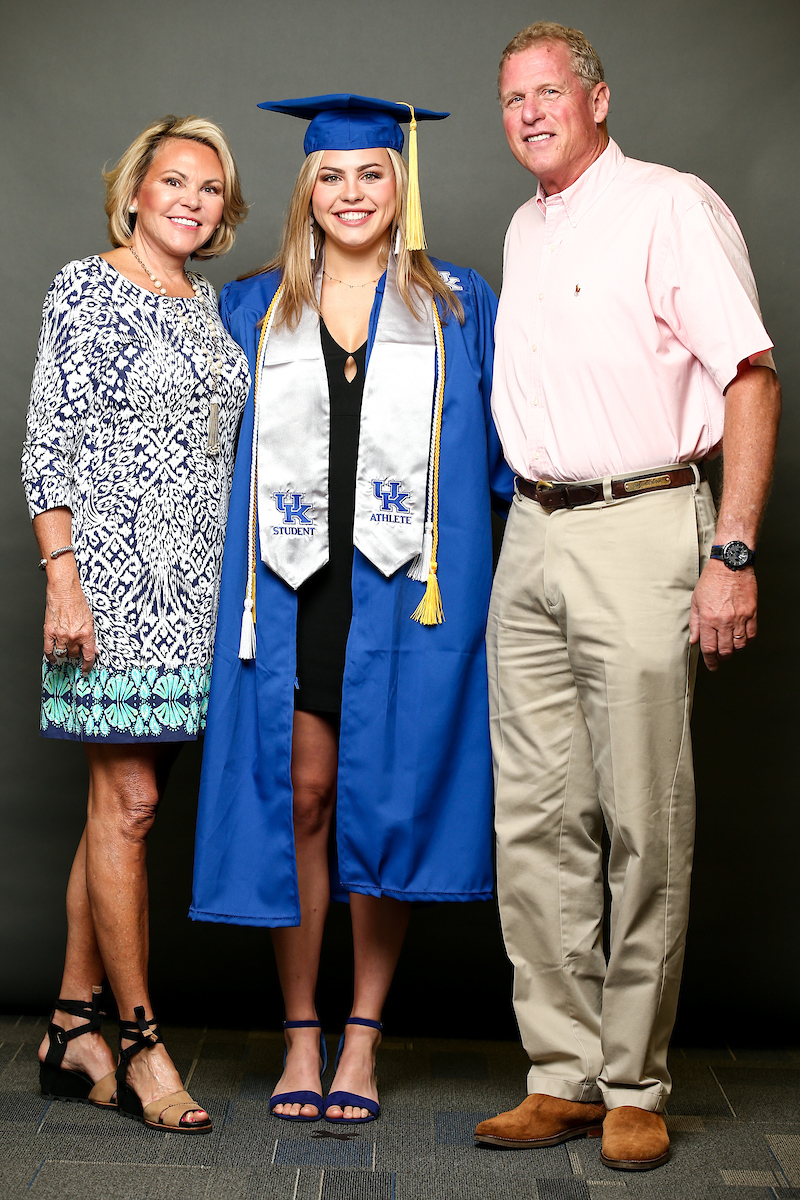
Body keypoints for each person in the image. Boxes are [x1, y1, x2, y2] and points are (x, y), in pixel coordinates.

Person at [474, 23, 781, 1171]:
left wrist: (730, 550)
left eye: (548, 92)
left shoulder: (669, 204)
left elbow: (750, 377)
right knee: (536, 821)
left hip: (646, 520)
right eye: (511, 99)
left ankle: (632, 1082)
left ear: (597, 99)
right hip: (533, 535)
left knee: (640, 820)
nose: (528, 113)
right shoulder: (522, 224)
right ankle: (557, 1073)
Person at [190, 93, 513, 1124]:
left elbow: (507, 458)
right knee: (307, 795)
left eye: (370, 173)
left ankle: (362, 1037)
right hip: (288, 594)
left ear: (398, 183)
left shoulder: (459, 304)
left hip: (404, 595)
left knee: (380, 798)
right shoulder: (250, 306)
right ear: (306, 190)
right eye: (330, 177)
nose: (351, 194)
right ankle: (299, 1030)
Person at [21, 115, 250, 1134]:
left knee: (124, 806)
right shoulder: (84, 284)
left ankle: (70, 1024)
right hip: (109, 590)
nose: (191, 200)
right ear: (134, 192)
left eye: (209, 188)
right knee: (133, 809)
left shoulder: (206, 306)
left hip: (192, 597)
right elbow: (47, 439)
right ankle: (143, 1043)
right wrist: (62, 578)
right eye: (174, 181)